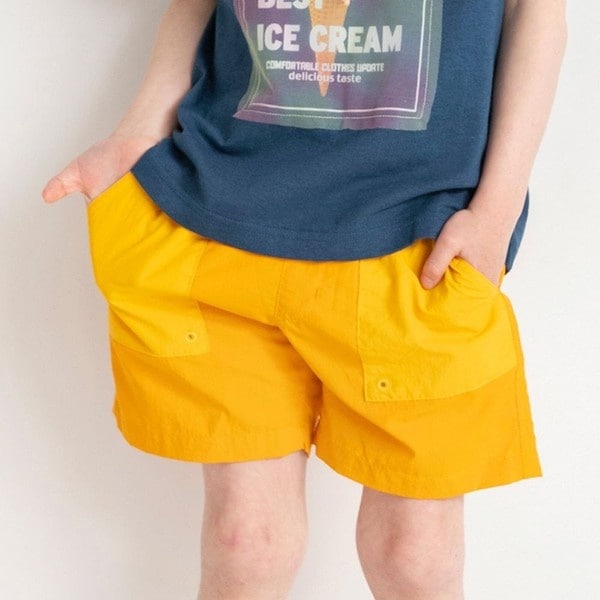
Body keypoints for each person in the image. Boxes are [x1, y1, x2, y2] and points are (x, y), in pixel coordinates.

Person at [42, 0, 567, 598]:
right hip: (219, 217)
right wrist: (140, 128)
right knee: (245, 544)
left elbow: (536, 9)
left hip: (417, 239)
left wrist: (498, 210)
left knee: (412, 556)